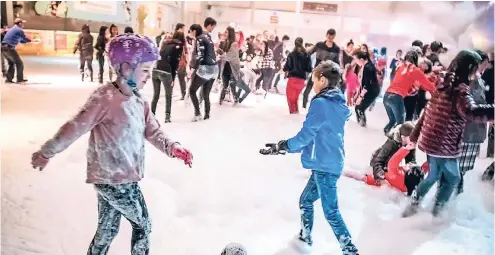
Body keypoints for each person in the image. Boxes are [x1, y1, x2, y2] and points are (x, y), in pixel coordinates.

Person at [30, 33, 193, 254]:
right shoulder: (104, 98)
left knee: (108, 229)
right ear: (126, 68)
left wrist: (172, 147)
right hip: (115, 179)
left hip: (121, 178)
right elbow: (75, 127)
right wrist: (47, 152)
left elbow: (152, 130)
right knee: (143, 225)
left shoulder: (138, 100)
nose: (149, 76)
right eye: (145, 70)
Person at [260, 61, 358, 254]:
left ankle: (350, 250)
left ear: (323, 79)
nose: (312, 84)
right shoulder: (336, 103)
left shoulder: (321, 103)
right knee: (306, 200)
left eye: (314, 80)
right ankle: (305, 236)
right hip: (327, 162)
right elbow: (318, 137)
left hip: (325, 165)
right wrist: (283, 147)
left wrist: (284, 146)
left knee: (331, 211)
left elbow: (306, 136)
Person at [403, 50, 495, 218]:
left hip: (432, 140)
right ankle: (437, 213)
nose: (477, 72)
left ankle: (413, 205)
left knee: (432, 176)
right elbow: (471, 111)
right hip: (444, 144)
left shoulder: (443, 82)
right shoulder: (459, 89)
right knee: (453, 178)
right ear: (468, 68)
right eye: (475, 68)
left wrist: (415, 136)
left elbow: (426, 111)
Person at [457, 50, 490, 194]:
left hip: (474, 131)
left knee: (464, 168)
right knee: (461, 169)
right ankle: (453, 197)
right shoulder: (470, 82)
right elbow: (473, 107)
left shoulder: (477, 80)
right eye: (484, 62)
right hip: (469, 132)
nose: (487, 65)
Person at [382, 49, 436, 134]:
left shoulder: (400, 67)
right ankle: (395, 142)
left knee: (393, 121)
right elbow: (428, 85)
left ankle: (387, 133)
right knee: (401, 125)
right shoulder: (415, 70)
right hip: (396, 97)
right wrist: (438, 90)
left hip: (386, 96)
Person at [344, 145, 428, 196]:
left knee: (360, 177)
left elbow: (392, 162)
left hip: (373, 180)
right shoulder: (410, 185)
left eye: (410, 166)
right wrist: (430, 162)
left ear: (409, 174)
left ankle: (344, 173)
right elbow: (422, 170)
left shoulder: (398, 176)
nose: (409, 164)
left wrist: (406, 149)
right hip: (384, 178)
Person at [189, 17, 218, 121]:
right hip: (214, 68)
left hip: (205, 68)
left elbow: (200, 55)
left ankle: (197, 113)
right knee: (206, 92)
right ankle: (207, 114)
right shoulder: (207, 36)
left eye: (191, 32)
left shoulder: (199, 38)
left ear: (194, 31)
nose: (190, 34)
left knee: (192, 90)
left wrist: (194, 68)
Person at [302, 28, 341, 108]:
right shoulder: (319, 45)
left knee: (325, 90)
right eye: (329, 36)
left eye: (332, 36)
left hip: (328, 72)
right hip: (317, 70)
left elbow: (337, 62)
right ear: (326, 35)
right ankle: (304, 105)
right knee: (309, 87)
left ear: (334, 37)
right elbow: (309, 52)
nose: (330, 38)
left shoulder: (336, 48)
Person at [152, 31, 185, 123]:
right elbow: (175, 63)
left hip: (155, 70)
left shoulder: (166, 43)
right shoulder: (178, 46)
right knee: (168, 95)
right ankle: (167, 116)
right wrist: (173, 79)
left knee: (156, 95)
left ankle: (151, 114)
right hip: (166, 72)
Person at [283, 37, 312, 114]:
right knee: (295, 98)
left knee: (290, 98)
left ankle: (293, 113)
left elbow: (287, 67)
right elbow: (309, 69)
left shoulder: (291, 54)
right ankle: (296, 112)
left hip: (293, 79)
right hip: (301, 80)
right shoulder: (306, 55)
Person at [218, 26, 246, 105]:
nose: (225, 33)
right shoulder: (225, 42)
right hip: (225, 66)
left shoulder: (234, 43)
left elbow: (231, 56)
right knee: (225, 85)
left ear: (230, 33)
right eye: (225, 32)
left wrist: (222, 54)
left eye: (226, 32)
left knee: (232, 85)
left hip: (232, 67)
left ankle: (236, 101)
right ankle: (221, 101)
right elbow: (225, 55)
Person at [354, 51, 380, 127]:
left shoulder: (368, 67)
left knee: (359, 108)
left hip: (371, 91)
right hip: (369, 90)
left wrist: (361, 96)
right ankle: (360, 123)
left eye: (356, 59)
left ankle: (362, 125)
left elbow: (368, 84)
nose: (356, 61)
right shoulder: (366, 66)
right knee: (358, 108)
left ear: (361, 59)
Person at [2, 18, 31, 83]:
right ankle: (19, 79)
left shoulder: (12, 29)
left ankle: (8, 79)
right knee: (19, 63)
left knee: (11, 63)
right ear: (19, 23)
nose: (23, 24)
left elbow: (21, 40)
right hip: (9, 47)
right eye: (22, 23)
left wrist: (27, 41)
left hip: (3, 47)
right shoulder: (19, 30)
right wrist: (30, 40)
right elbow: (25, 38)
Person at [175, 23, 188, 100]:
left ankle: (184, 93)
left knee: (181, 77)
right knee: (181, 77)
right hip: (180, 61)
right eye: (183, 28)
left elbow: (185, 50)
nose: (183, 30)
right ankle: (184, 93)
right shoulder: (179, 36)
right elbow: (185, 49)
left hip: (181, 61)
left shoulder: (181, 37)